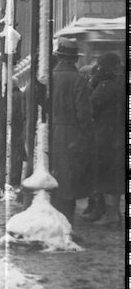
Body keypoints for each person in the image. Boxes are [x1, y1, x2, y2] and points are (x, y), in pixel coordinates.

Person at [49, 38, 92, 225]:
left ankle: (55, 221)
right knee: (70, 181)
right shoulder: (78, 80)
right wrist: (87, 134)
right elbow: (83, 111)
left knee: (55, 178)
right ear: (73, 59)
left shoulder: (49, 77)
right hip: (73, 133)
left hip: (52, 133)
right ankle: (67, 223)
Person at [86, 52, 123, 225]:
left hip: (107, 135)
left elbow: (91, 106)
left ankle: (111, 215)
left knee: (107, 175)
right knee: (112, 175)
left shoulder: (107, 86)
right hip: (115, 135)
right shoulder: (119, 82)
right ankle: (111, 213)